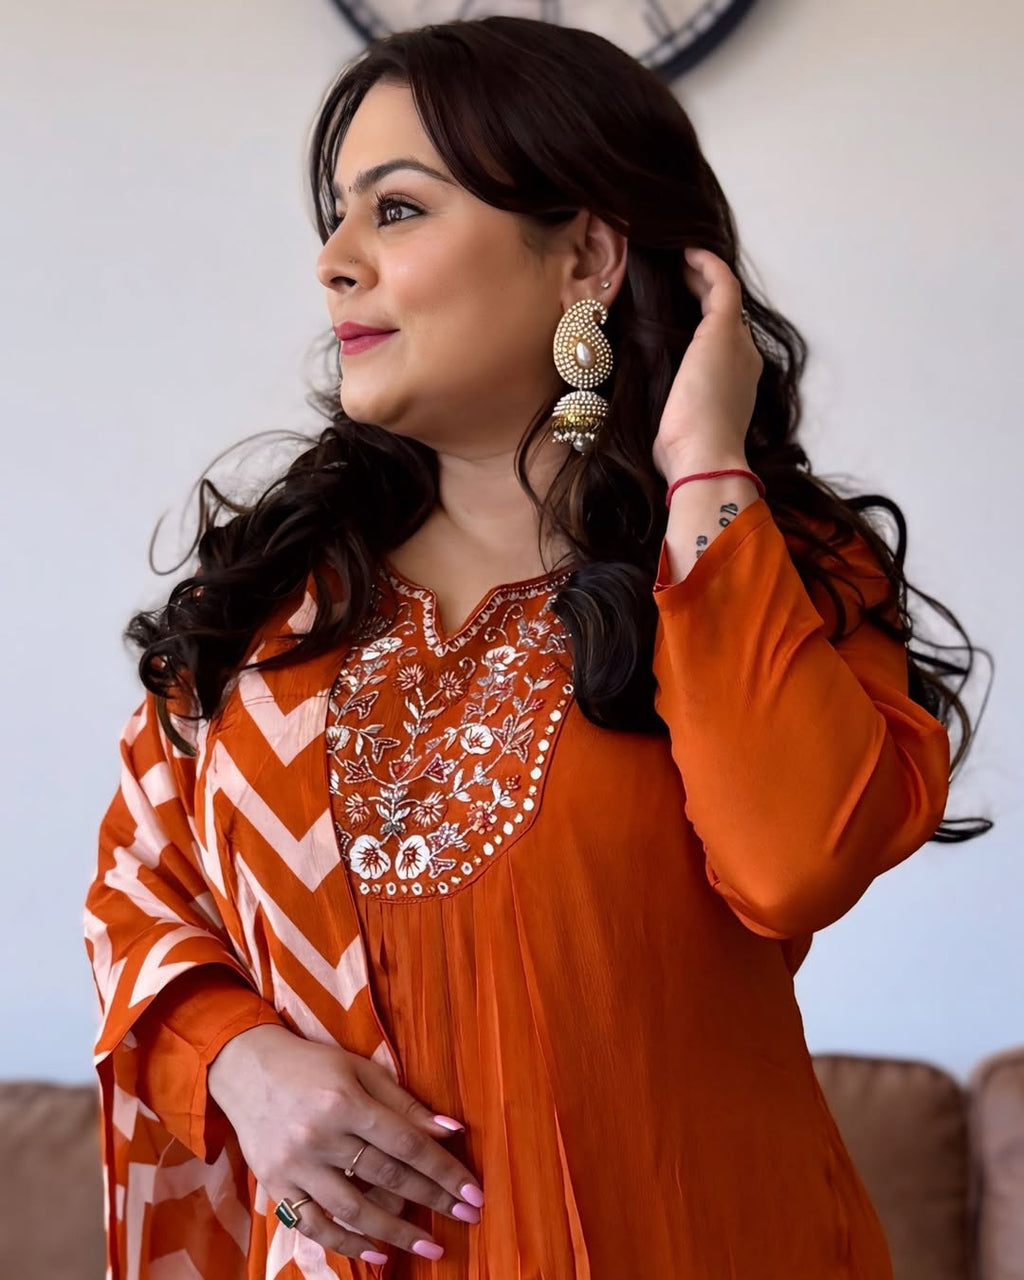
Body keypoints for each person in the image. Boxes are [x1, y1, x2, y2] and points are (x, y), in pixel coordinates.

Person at [84, 15, 984, 1280]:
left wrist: (704, 472)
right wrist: (240, 1059)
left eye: (396, 212)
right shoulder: (265, 613)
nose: (335, 264)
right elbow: (139, 903)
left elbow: (792, 865)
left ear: (586, 258)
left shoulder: (770, 568)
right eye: (335, 222)